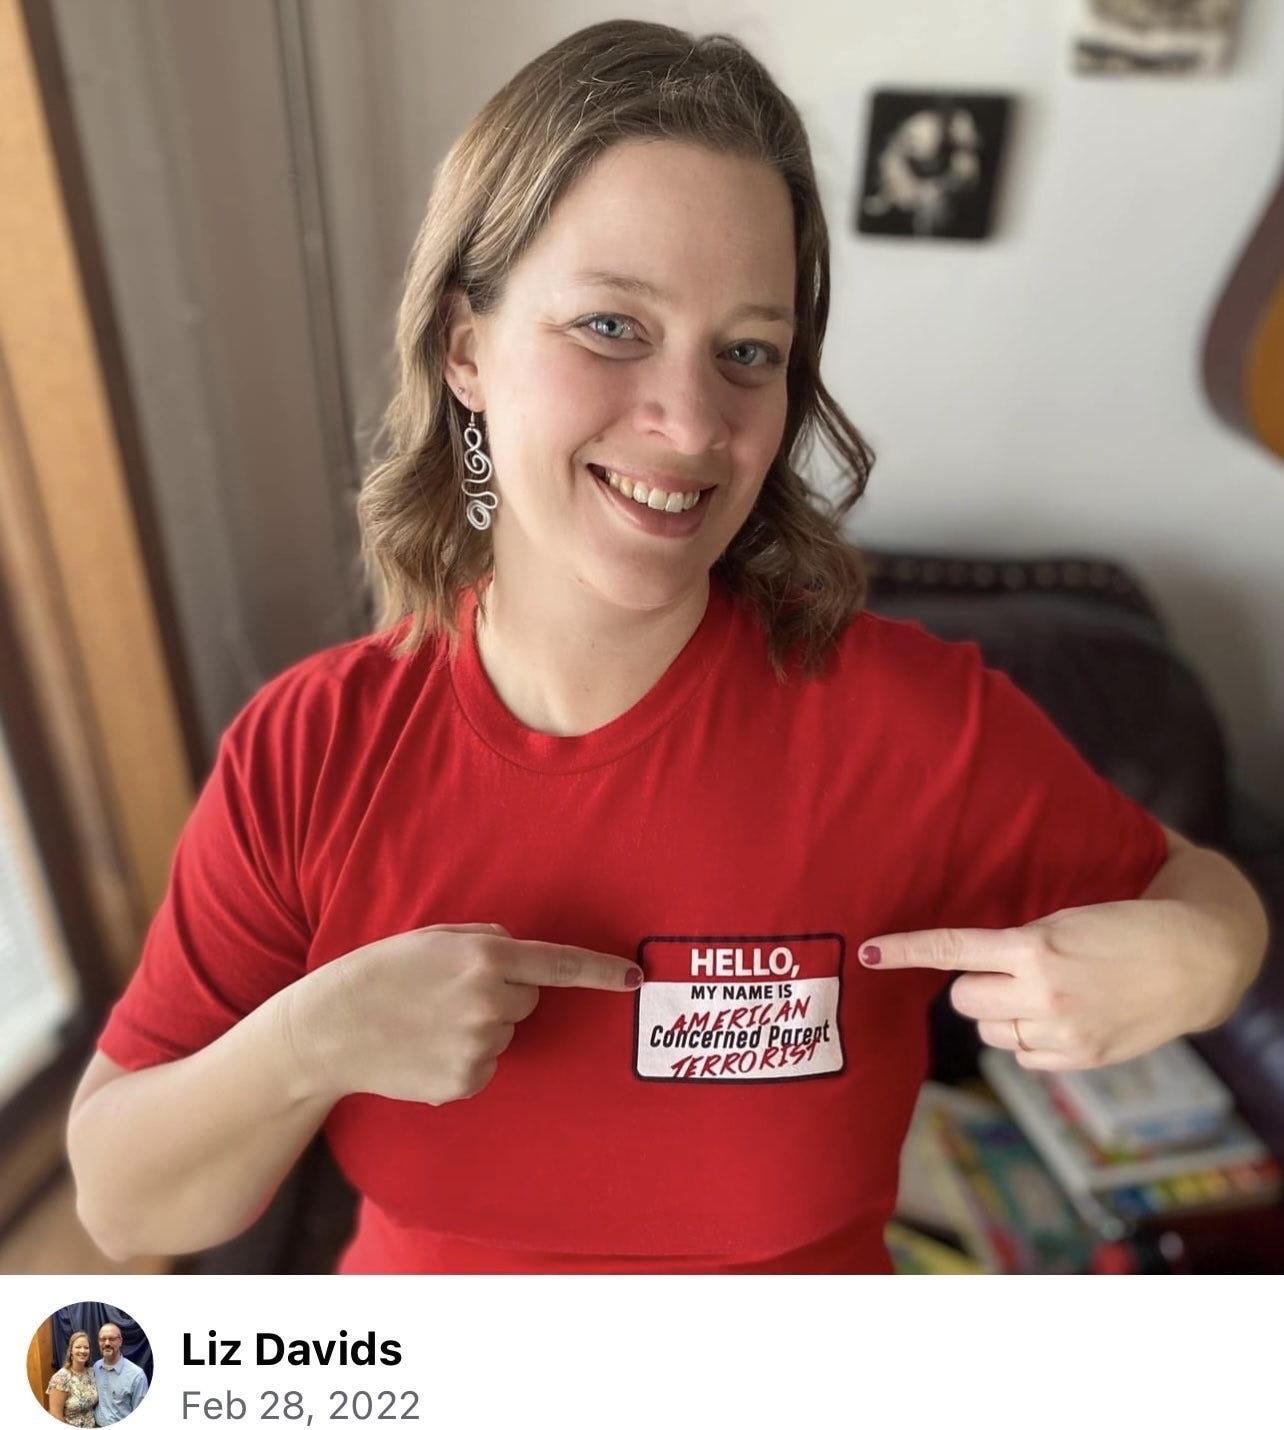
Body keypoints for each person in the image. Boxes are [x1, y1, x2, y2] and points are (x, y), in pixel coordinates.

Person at [67, 19, 1266, 1273]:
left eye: (747, 352)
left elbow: (1200, 893)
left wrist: (1207, 952)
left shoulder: (913, 723)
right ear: (466, 348)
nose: (692, 420)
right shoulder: (311, 751)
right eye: (612, 326)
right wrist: (309, 1044)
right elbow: (124, 1204)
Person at [90, 1324, 147, 1424]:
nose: (107, 1343)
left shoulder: (137, 1376)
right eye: (103, 1339)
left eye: (112, 1339)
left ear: (120, 1341)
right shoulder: (96, 1367)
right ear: (98, 1342)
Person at [46, 1332, 97, 1426]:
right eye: (78, 1347)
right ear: (70, 1351)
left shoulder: (92, 1373)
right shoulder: (60, 1378)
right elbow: (56, 1416)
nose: (82, 1351)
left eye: (86, 1347)